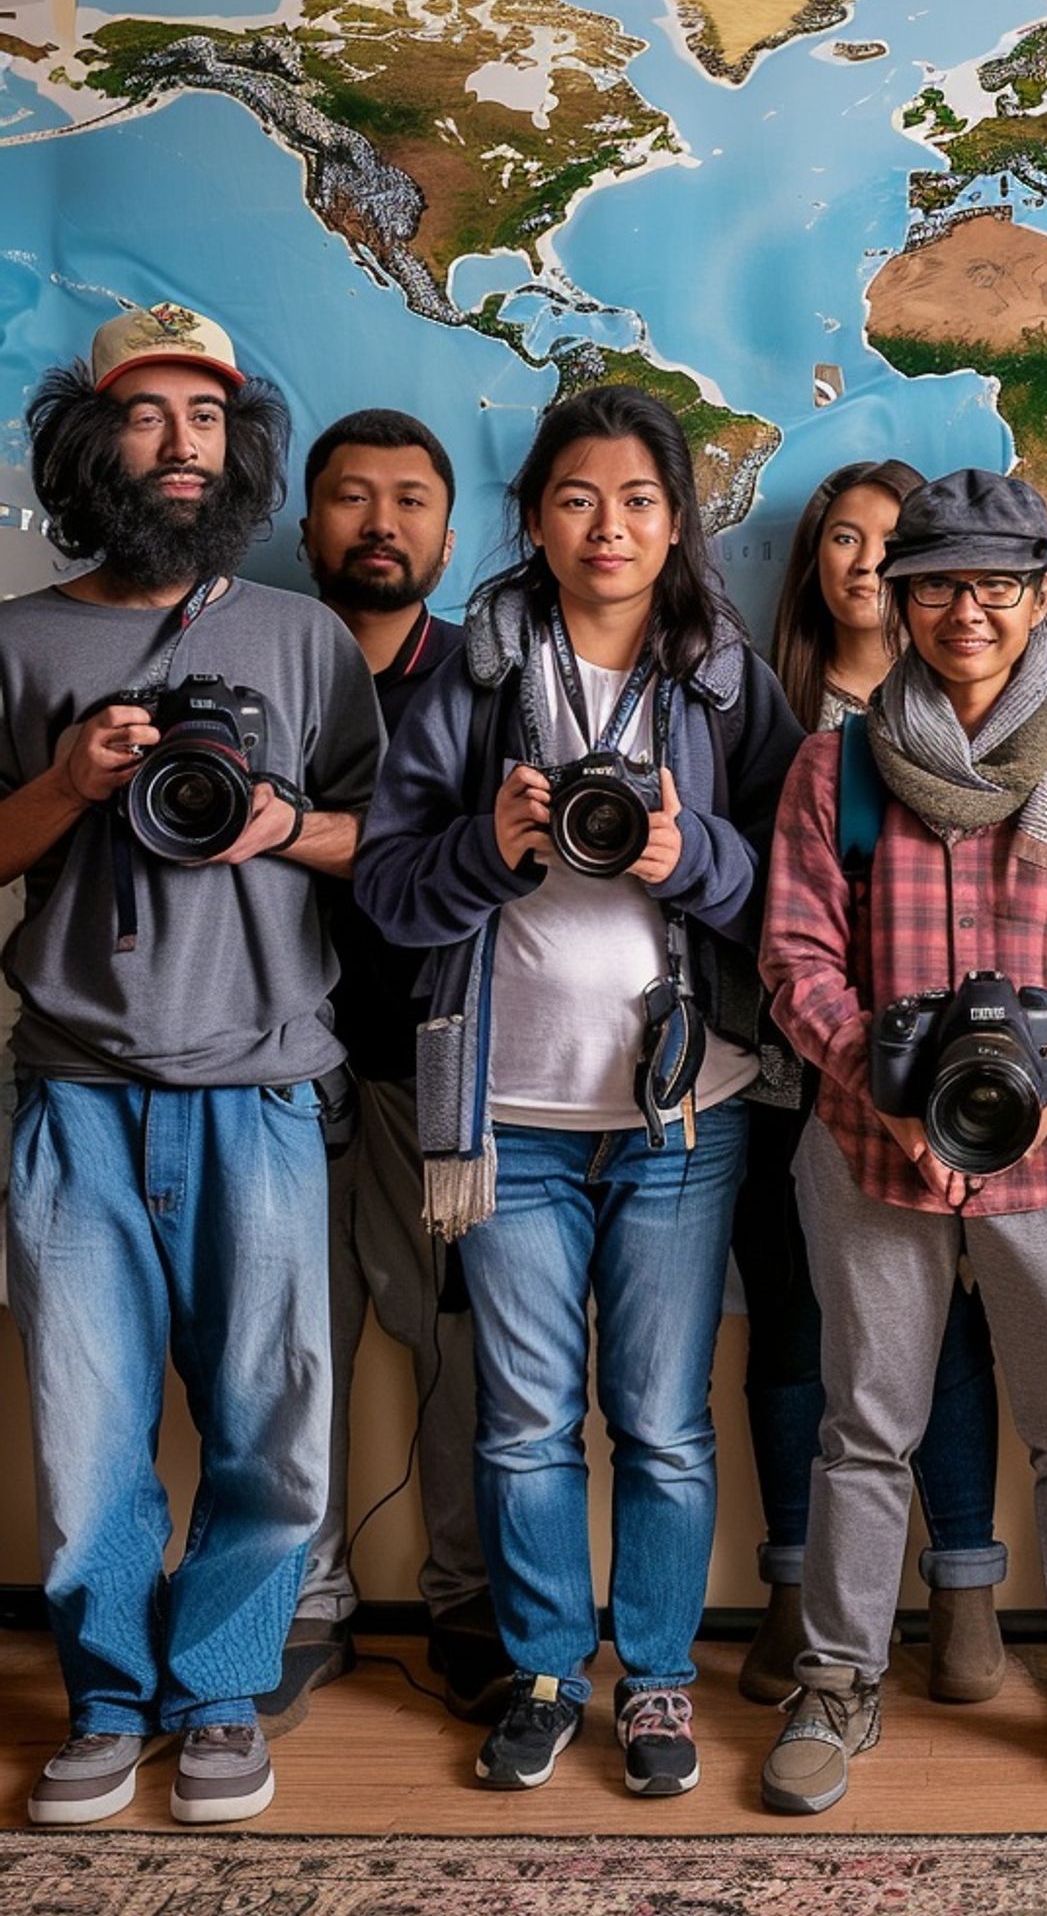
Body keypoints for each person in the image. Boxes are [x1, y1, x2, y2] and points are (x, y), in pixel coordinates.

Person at [354, 384, 803, 1797]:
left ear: (680, 523)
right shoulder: (474, 677)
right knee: (524, 1418)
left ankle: (659, 1684)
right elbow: (384, 889)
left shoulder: (728, 679)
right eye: (576, 499)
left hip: (680, 1114)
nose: (609, 528)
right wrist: (485, 849)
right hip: (507, 1119)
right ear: (534, 518)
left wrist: (693, 864)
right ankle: (550, 1672)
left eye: (639, 502)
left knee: (663, 1422)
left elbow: (795, 897)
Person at [3, 302, 382, 1825]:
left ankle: (221, 1693)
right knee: (87, 1424)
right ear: (95, 442)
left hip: (263, 1088)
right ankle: (107, 1697)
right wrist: (66, 781)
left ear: (240, 445)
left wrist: (281, 821)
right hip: (75, 1093)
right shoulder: (21, 640)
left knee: (268, 1418)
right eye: (151, 417)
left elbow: (387, 843)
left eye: (207, 419)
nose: (181, 446)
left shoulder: (299, 636)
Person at [758, 468, 1047, 1817]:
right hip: (873, 1153)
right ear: (902, 598)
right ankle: (838, 1679)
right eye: (935, 583)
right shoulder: (839, 768)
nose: (967, 610)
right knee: (865, 1430)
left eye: (997, 582)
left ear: (1042, 596)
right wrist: (877, 1091)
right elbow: (797, 955)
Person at [737, 459, 1008, 1706]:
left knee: (942, 1335)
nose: (866, 561)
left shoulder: (994, 717)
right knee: (797, 1338)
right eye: (841, 539)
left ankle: (961, 1582)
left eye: (891, 541)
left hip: (953, 1095)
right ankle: (796, 1586)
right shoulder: (764, 702)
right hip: (792, 1072)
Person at [259, 409, 510, 1733]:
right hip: (273, 1057)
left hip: (436, 1056)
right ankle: (305, 1599)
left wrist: (303, 832)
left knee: (457, 1346)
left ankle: (466, 1597)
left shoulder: (482, 677)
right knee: (292, 1348)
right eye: (351, 498)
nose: (379, 522)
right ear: (306, 527)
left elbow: (482, 854)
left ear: (448, 534)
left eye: (409, 499)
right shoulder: (256, 663)